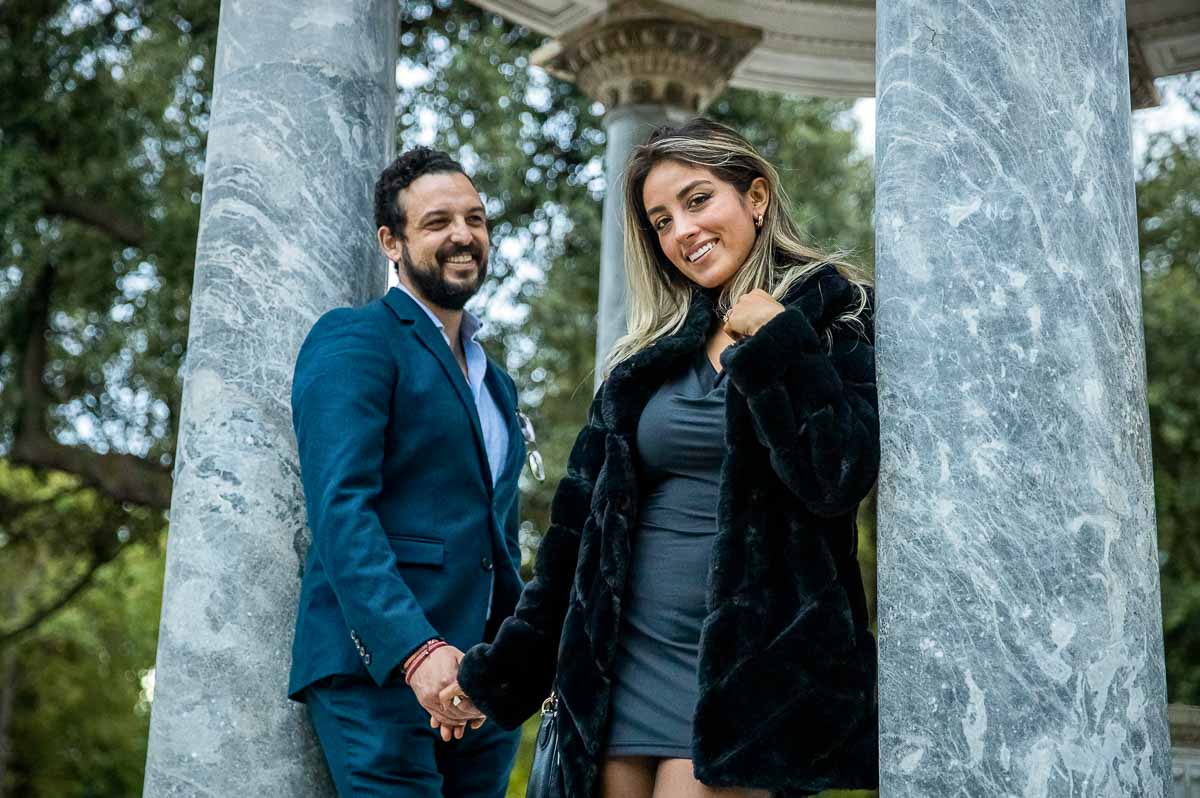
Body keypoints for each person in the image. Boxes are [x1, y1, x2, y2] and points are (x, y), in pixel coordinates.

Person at [440, 118, 880, 798]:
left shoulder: (834, 315)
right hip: (623, 666)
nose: (682, 231)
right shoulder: (644, 364)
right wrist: (500, 676)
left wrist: (777, 340)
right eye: (661, 220)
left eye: (698, 200)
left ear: (756, 197)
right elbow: (574, 546)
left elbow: (838, 475)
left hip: (742, 675)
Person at [287, 146, 530, 797]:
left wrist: (509, 664)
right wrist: (416, 651)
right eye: (438, 222)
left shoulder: (496, 383)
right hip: (379, 678)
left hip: (480, 691)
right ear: (391, 241)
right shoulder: (356, 338)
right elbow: (342, 509)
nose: (463, 235)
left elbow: (498, 541)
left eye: (475, 219)